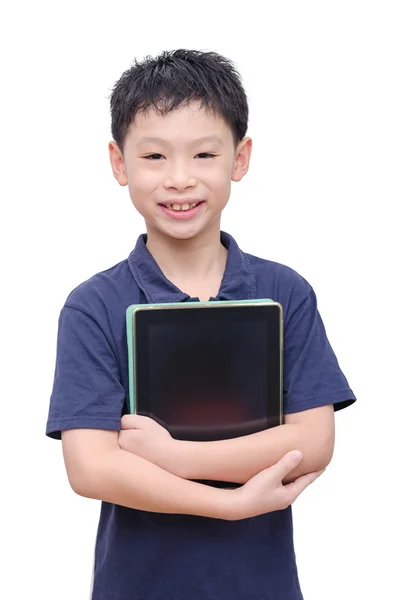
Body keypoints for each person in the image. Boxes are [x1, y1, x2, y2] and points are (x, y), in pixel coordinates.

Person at [46, 49, 356, 600]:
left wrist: (176, 456)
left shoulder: (284, 292)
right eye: (156, 156)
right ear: (119, 163)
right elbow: (91, 468)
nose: (180, 179)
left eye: (205, 154)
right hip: (137, 587)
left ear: (240, 158)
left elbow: (313, 441)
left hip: (261, 587)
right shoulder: (93, 305)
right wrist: (231, 503)